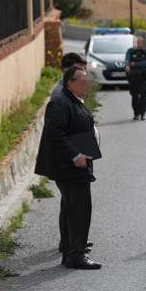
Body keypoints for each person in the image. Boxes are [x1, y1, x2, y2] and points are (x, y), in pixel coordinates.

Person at [35, 67, 102, 270]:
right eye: (82, 80)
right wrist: (76, 155)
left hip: (74, 164)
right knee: (79, 209)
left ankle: (69, 247)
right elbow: (55, 134)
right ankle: (76, 255)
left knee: (70, 207)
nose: (87, 83)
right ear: (70, 82)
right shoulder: (59, 103)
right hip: (69, 166)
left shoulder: (72, 99)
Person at [125, 36, 146, 121]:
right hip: (133, 76)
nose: (138, 43)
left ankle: (143, 114)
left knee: (143, 96)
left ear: (143, 43)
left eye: (140, 42)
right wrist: (128, 65)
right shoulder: (130, 51)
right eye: (137, 42)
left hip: (143, 76)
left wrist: (134, 64)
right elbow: (127, 60)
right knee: (134, 96)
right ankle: (136, 114)